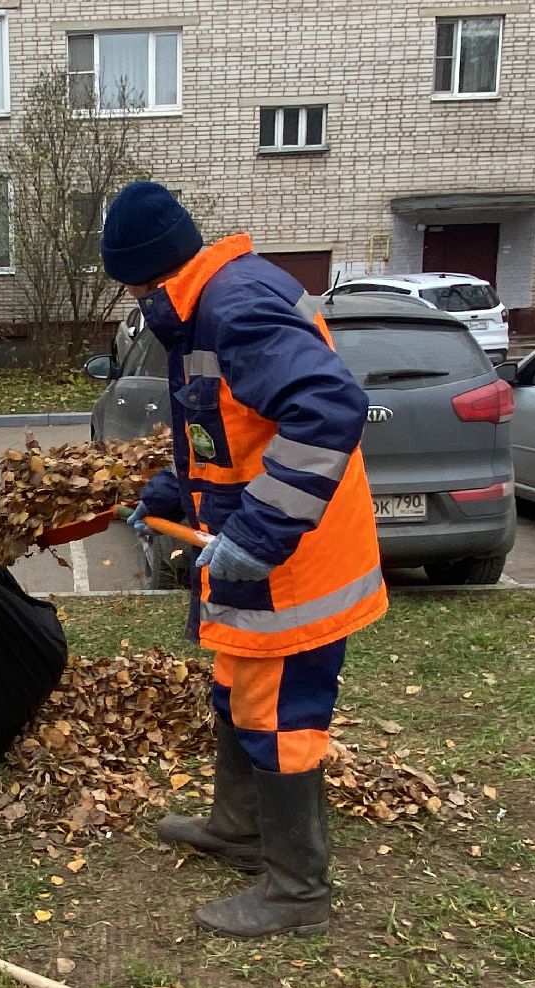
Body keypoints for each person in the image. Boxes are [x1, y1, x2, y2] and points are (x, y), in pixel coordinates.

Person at [102, 181, 388, 938]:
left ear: (142, 274)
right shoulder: (204, 303)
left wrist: (259, 535)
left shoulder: (233, 306)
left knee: (278, 715)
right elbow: (224, 427)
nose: (132, 300)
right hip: (257, 553)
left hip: (292, 562)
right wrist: (171, 491)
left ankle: (297, 890)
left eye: (128, 286)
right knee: (234, 690)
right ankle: (239, 827)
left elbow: (328, 410)